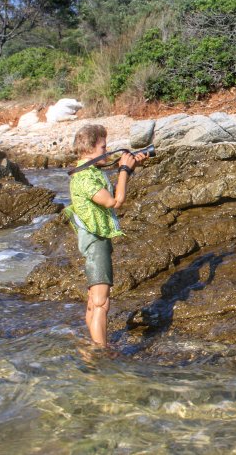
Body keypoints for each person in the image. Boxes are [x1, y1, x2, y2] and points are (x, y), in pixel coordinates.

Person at [64, 124, 148, 347]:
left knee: (94, 300)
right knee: (101, 302)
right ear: (90, 149)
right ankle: (101, 351)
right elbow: (115, 201)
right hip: (95, 241)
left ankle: (92, 345)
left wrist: (131, 165)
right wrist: (124, 171)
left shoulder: (90, 171)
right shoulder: (84, 178)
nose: (107, 150)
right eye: (103, 146)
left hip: (96, 238)